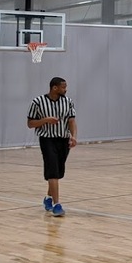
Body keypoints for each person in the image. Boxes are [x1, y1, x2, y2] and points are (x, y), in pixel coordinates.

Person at [27, 76, 77, 217]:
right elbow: (30, 124)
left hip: (63, 140)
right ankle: (57, 204)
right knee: (53, 171)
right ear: (54, 88)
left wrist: (73, 136)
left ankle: (48, 198)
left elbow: (72, 121)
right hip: (47, 140)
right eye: (63, 87)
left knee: (58, 172)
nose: (65, 90)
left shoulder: (68, 102)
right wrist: (45, 120)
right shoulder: (37, 102)